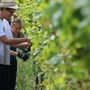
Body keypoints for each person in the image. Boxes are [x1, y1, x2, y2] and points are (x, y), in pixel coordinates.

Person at [0, 0, 31, 90]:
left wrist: (26, 43)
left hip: (5, 61)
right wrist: (25, 39)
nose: (12, 14)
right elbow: (5, 41)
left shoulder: (5, 22)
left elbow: (11, 42)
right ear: (3, 9)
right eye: (11, 11)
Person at [10, 18, 31, 90]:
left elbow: (25, 45)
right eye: (16, 29)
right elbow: (4, 50)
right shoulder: (7, 34)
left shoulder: (20, 34)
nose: (18, 30)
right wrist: (19, 54)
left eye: (20, 28)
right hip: (4, 59)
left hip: (12, 59)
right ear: (11, 26)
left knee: (12, 81)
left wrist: (28, 48)